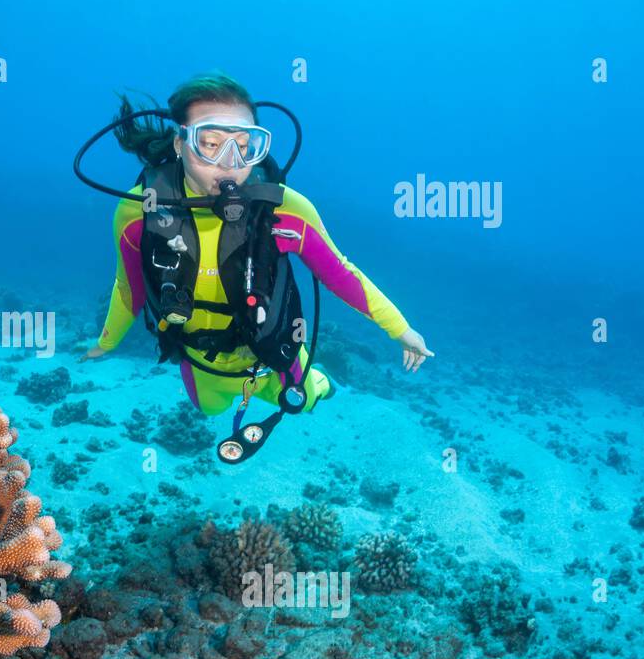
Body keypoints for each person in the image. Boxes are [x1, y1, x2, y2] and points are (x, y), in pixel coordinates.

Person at [79, 72, 432, 448]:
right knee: (208, 409)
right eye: (211, 143)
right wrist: (106, 344)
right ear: (180, 144)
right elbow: (128, 288)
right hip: (201, 360)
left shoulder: (287, 209)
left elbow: (341, 275)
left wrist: (401, 329)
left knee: (306, 400)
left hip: (273, 355)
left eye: (245, 146)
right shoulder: (137, 212)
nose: (230, 163)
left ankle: (321, 383)